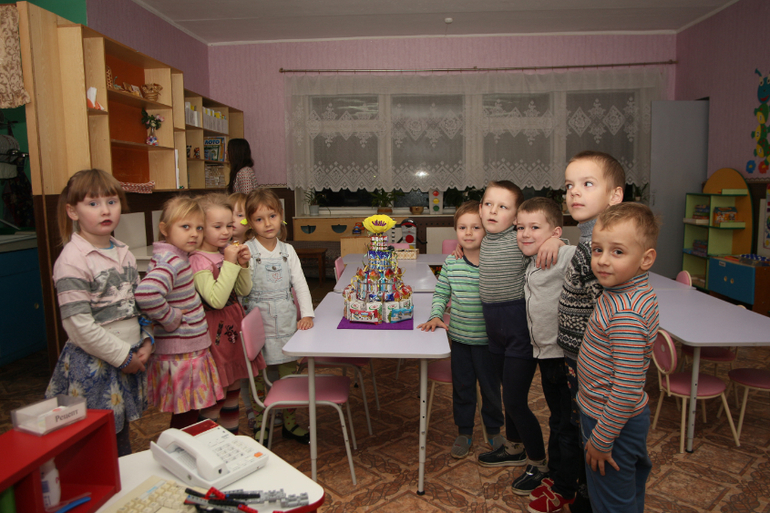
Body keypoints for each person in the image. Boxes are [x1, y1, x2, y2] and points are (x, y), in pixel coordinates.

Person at [533, 150, 624, 513]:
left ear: (615, 195)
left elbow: (611, 314)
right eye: (569, 185)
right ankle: (576, 489)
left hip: (593, 365)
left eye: (587, 184)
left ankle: (583, 496)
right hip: (576, 360)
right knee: (577, 425)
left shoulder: (602, 251)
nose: (574, 192)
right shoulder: (587, 243)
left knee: (588, 432)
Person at [46, 169, 152, 456]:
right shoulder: (72, 260)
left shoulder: (124, 253)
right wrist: (124, 357)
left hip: (128, 358)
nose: (105, 210)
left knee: (121, 439)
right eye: (93, 203)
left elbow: (139, 304)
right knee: (99, 445)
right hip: (95, 367)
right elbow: (78, 326)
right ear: (73, 211)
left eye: (111, 202)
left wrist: (147, 340)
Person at [474, 181, 562, 498]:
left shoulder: (519, 238)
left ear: (515, 217)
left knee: (515, 400)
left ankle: (539, 463)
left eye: (502, 206)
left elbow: (545, 241)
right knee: (506, 393)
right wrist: (462, 248)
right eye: (488, 204)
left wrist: (556, 241)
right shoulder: (484, 239)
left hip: (519, 333)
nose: (492, 211)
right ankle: (513, 448)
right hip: (494, 332)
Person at [577, 202, 659, 513]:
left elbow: (626, 387)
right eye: (598, 250)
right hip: (617, 420)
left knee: (611, 502)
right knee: (626, 493)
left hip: (609, 422)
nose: (603, 260)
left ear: (646, 259)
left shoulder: (626, 313)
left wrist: (601, 438)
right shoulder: (626, 292)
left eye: (618, 252)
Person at [417, 200, 503, 459]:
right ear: (455, 231)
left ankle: (494, 430)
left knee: (491, 390)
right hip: (461, 341)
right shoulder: (451, 263)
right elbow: (441, 293)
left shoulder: (496, 262)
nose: (468, 233)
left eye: (475, 227)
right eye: (462, 227)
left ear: (487, 230)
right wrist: (435, 314)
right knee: (463, 389)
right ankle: (464, 432)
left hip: (489, 343)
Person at [135, 196, 225, 430]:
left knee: (187, 411)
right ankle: (178, 446)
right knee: (186, 413)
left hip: (185, 349)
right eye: (185, 227)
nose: (194, 234)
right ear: (165, 229)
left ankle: (183, 444)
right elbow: (146, 294)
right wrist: (171, 318)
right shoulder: (172, 260)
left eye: (199, 228)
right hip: (182, 352)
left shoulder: (175, 256)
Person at [515, 198, 579, 509]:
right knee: (558, 420)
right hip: (546, 356)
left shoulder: (561, 254)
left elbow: (586, 254)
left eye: (534, 227)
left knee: (566, 425)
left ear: (554, 231)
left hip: (563, 356)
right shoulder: (531, 259)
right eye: (520, 228)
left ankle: (566, 486)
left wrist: (560, 242)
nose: (525, 234)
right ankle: (557, 475)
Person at [242, 188, 314, 444]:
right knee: (258, 376)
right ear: (250, 223)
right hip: (257, 322)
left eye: (272, 216)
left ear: (281, 215)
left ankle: (290, 423)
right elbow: (241, 289)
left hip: (285, 320)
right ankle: (261, 422)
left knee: (289, 375)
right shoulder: (246, 251)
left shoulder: (288, 250)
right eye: (259, 219)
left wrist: (307, 314)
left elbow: (300, 284)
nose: (267, 224)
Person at [189, 193, 264, 435]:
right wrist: (231, 264)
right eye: (217, 226)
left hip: (232, 328)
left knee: (233, 392)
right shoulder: (198, 261)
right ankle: (208, 445)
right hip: (214, 335)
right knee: (215, 396)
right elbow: (216, 300)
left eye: (229, 226)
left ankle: (231, 439)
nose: (226, 232)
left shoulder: (223, 253)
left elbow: (243, 290)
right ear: (200, 228)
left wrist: (242, 266)